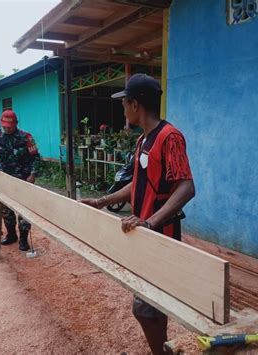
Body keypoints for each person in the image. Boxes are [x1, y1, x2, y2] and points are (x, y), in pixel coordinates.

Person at [81, 74, 195, 355]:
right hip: (143, 232)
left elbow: (187, 186)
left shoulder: (171, 137)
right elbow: (138, 183)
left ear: (134, 104)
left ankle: (162, 351)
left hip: (161, 233)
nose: (123, 109)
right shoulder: (143, 140)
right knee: (153, 302)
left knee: (143, 308)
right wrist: (101, 201)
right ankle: (165, 347)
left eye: (124, 103)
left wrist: (151, 222)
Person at [0, 109, 41, 250]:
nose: (7, 129)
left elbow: (35, 157)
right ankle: (11, 235)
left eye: (9, 126)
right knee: (6, 210)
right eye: (4, 126)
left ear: (16, 124)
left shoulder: (26, 137)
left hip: (24, 179)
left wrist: (33, 173)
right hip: (3, 179)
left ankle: (23, 239)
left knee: (24, 211)